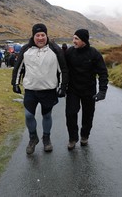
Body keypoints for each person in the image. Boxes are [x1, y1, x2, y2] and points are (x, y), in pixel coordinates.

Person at [12, 23, 68, 155]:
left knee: (46, 115)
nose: (40, 38)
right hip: (31, 90)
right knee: (28, 115)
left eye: (43, 35)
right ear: (33, 36)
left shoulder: (55, 50)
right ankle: (33, 138)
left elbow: (63, 70)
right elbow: (18, 67)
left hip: (48, 90)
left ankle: (46, 138)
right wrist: (15, 83)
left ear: (47, 35)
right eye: (38, 35)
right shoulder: (26, 49)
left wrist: (62, 87)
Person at [64, 29, 108, 150]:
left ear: (84, 40)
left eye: (76, 39)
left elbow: (103, 73)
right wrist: (62, 87)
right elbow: (63, 70)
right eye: (73, 38)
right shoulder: (69, 53)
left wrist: (102, 91)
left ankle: (84, 136)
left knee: (88, 115)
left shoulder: (94, 53)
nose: (73, 41)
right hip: (73, 90)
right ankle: (72, 138)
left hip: (89, 90)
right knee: (70, 114)